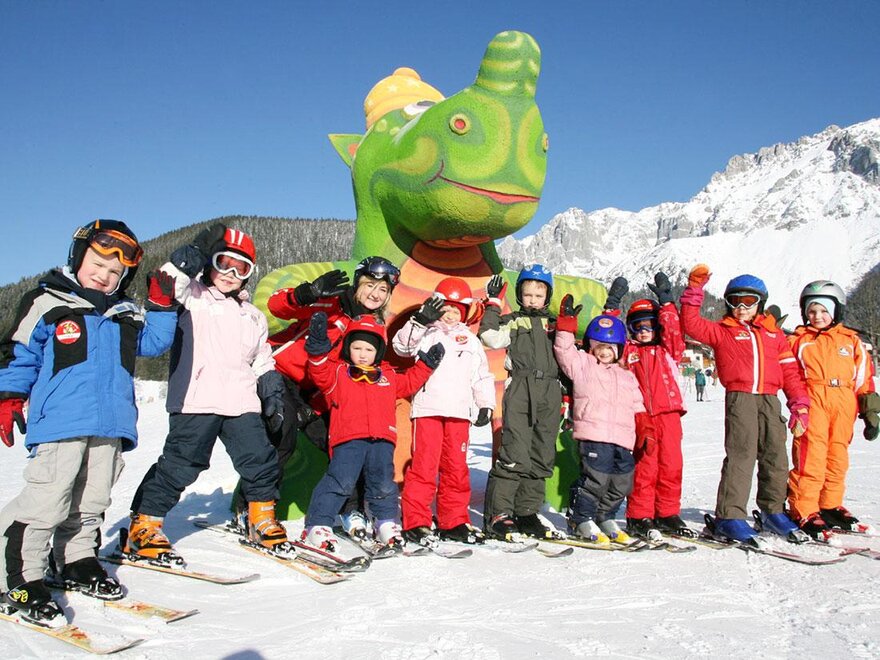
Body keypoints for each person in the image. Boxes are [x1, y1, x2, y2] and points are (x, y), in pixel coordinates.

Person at [0, 219, 176, 625]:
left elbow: (153, 344)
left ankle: (75, 560)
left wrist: (162, 307)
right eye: (97, 263)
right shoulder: (47, 302)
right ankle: (18, 576)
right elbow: (20, 351)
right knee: (49, 498)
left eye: (115, 271)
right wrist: (9, 395)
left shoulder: (124, 313)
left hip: (111, 424)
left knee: (92, 500)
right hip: (61, 422)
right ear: (78, 257)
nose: (104, 274)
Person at [126, 225, 291, 563]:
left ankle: (261, 518)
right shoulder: (193, 297)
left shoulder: (252, 315)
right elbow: (165, 285)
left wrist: (271, 388)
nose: (230, 274)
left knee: (260, 460)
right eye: (223, 263)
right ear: (209, 264)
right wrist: (185, 261)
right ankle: (144, 524)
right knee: (182, 464)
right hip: (197, 398)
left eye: (240, 268)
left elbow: (262, 358)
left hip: (242, 402)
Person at [265, 256, 400, 538]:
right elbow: (276, 306)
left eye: (383, 289)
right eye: (370, 285)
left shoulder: (372, 325)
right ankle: (257, 508)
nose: (375, 294)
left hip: (316, 392)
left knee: (347, 442)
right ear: (358, 283)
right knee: (283, 435)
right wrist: (306, 293)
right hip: (281, 373)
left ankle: (351, 509)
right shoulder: (331, 302)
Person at [680, 266, 810, 543]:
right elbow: (690, 324)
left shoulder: (774, 335)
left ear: (760, 303)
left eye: (748, 301)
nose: (741, 307)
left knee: (776, 456)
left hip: (770, 399)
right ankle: (729, 516)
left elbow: (790, 372)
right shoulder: (723, 331)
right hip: (741, 398)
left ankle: (773, 511)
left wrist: (799, 404)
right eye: (734, 301)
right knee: (742, 455)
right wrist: (694, 290)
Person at [300, 312, 442, 551]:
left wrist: (426, 365)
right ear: (348, 348)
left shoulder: (388, 376)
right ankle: (318, 523)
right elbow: (318, 369)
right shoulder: (338, 373)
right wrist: (317, 346)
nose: (363, 354)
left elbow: (409, 382)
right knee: (341, 481)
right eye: (357, 348)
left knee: (383, 483)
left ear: (378, 351)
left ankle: (385, 522)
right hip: (349, 439)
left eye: (369, 349)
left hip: (382, 440)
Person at [391, 277, 495, 545]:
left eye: (456, 311)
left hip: (459, 413)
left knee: (456, 468)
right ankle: (416, 521)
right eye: (445, 309)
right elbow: (402, 347)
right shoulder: (427, 332)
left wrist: (486, 403)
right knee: (424, 467)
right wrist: (419, 321)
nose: (450, 315)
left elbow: (481, 375)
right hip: (428, 410)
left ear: (465, 312)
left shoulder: (470, 340)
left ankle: (454, 520)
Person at [602, 274, 695, 540]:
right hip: (641, 416)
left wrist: (667, 303)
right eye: (637, 326)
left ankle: (667, 513)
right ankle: (639, 515)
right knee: (645, 467)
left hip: (669, 414)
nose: (643, 331)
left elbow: (674, 330)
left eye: (649, 325)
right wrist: (612, 305)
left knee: (671, 465)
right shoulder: (628, 352)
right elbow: (607, 335)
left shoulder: (668, 349)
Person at [786, 280, 879, 538]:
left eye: (823, 311)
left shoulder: (851, 341)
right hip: (814, 399)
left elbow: (863, 378)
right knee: (811, 456)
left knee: (838, 457)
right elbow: (787, 371)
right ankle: (804, 508)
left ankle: (829, 505)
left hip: (844, 402)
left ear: (836, 310)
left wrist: (870, 411)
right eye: (812, 311)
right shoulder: (799, 341)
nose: (817, 316)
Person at [553, 296, 648, 545]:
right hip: (594, 434)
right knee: (596, 479)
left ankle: (605, 516)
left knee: (621, 482)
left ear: (619, 350)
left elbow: (637, 403)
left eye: (610, 348)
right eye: (599, 347)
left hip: (623, 438)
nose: (604, 352)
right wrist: (565, 326)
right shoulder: (583, 365)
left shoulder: (626, 375)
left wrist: (644, 427)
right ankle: (581, 518)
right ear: (591, 347)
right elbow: (564, 351)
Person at [478, 265, 563, 540]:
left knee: (541, 453)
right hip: (521, 388)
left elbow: (568, 354)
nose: (533, 300)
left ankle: (527, 512)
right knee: (515, 451)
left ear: (547, 297)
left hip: (550, 389)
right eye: (527, 295)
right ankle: (499, 514)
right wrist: (493, 305)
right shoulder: (513, 321)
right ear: (519, 295)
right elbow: (490, 337)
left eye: (539, 295)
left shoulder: (554, 324)